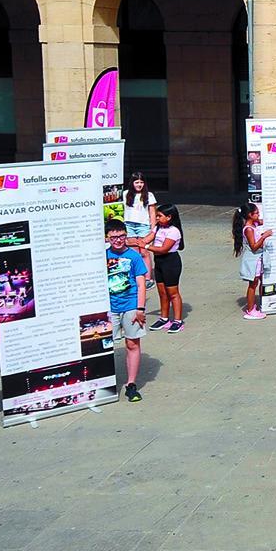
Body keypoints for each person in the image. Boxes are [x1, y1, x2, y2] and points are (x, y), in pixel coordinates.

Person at [103, 219, 148, 402]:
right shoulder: (102, 256)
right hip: (110, 307)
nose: (119, 240)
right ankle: (106, 381)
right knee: (106, 345)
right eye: (114, 237)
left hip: (130, 305)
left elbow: (141, 283)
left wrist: (140, 308)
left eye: (122, 236)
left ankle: (131, 384)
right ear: (107, 237)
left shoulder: (134, 257)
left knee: (132, 344)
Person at [143, 204, 185, 332]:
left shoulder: (174, 231)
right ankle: (164, 317)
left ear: (169, 217)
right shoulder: (158, 228)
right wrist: (135, 241)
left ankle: (177, 320)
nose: (157, 218)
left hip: (170, 262)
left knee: (173, 293)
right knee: (162, 292)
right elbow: (147, 238)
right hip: (159, 262)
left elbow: (163, 249)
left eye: (159, 216)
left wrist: (145, 247)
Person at [236, 202, 269, 321]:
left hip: (258, 258)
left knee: (260, 281)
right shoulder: (248, 229)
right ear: (250, 215)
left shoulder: (254, 224)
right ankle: (250, 309)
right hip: (253, 260)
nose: (258, 215)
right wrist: (264, 236)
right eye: (256, 213)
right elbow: (254, 246)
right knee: (253, 284)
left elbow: (262, 221)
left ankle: (260, 304)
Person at [122, 172, 157, 241]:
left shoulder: (149, 195)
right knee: (133, 249)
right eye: (137, 182)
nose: (139, 185)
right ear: (132, 183)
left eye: (141, 182)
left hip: (143, 225)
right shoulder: (125, 193)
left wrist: (153, 229)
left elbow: (152, 213)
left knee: (143, 249)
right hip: (129, 225)